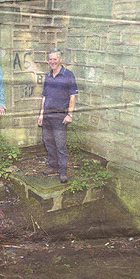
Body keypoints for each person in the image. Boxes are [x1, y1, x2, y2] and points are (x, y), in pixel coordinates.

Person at [38, 49, 78, 183]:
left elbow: (73, 96)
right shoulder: (48, 75)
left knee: (60, 145)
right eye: (50, 59)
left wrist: (70, 114)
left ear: (60, 59)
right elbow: (44, 96)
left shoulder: (68, 75)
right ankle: (53, 166)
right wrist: (41, 115)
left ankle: (63, 172)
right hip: (47, 115)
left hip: (60, 115)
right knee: (48, 143)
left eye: (55, 59)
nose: (52, 62)